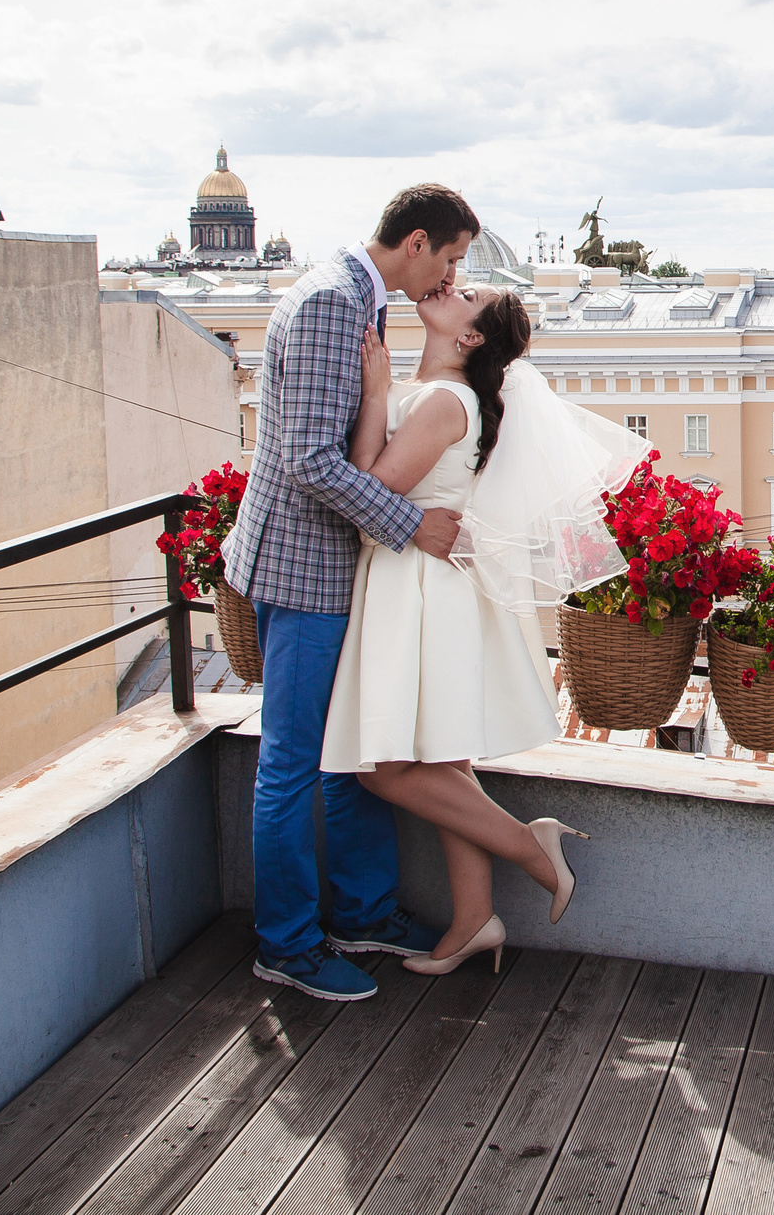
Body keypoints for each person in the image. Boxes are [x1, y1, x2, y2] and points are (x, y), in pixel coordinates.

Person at [323, 284, 645, 974]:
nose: (448, 287)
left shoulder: (442, 401)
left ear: (470, 338)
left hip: (417, 584)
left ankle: (531, 847)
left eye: (466, 294)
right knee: (441, 757)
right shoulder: (439, 393)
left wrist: (375, 393)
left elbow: (365, 496)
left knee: (382, 768)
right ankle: (474, 919)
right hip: (425, 581)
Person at [218, 184, 476, 1001]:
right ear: (418, 243)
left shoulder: (350, 290)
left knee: (344, 754)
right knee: (294, 763)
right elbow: (310, 462)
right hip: (304, 571)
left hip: (326, 568)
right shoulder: (337, 302)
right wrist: (411, 525)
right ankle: (287, 944)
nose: (450, 275)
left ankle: (362, 911)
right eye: (453, 258)